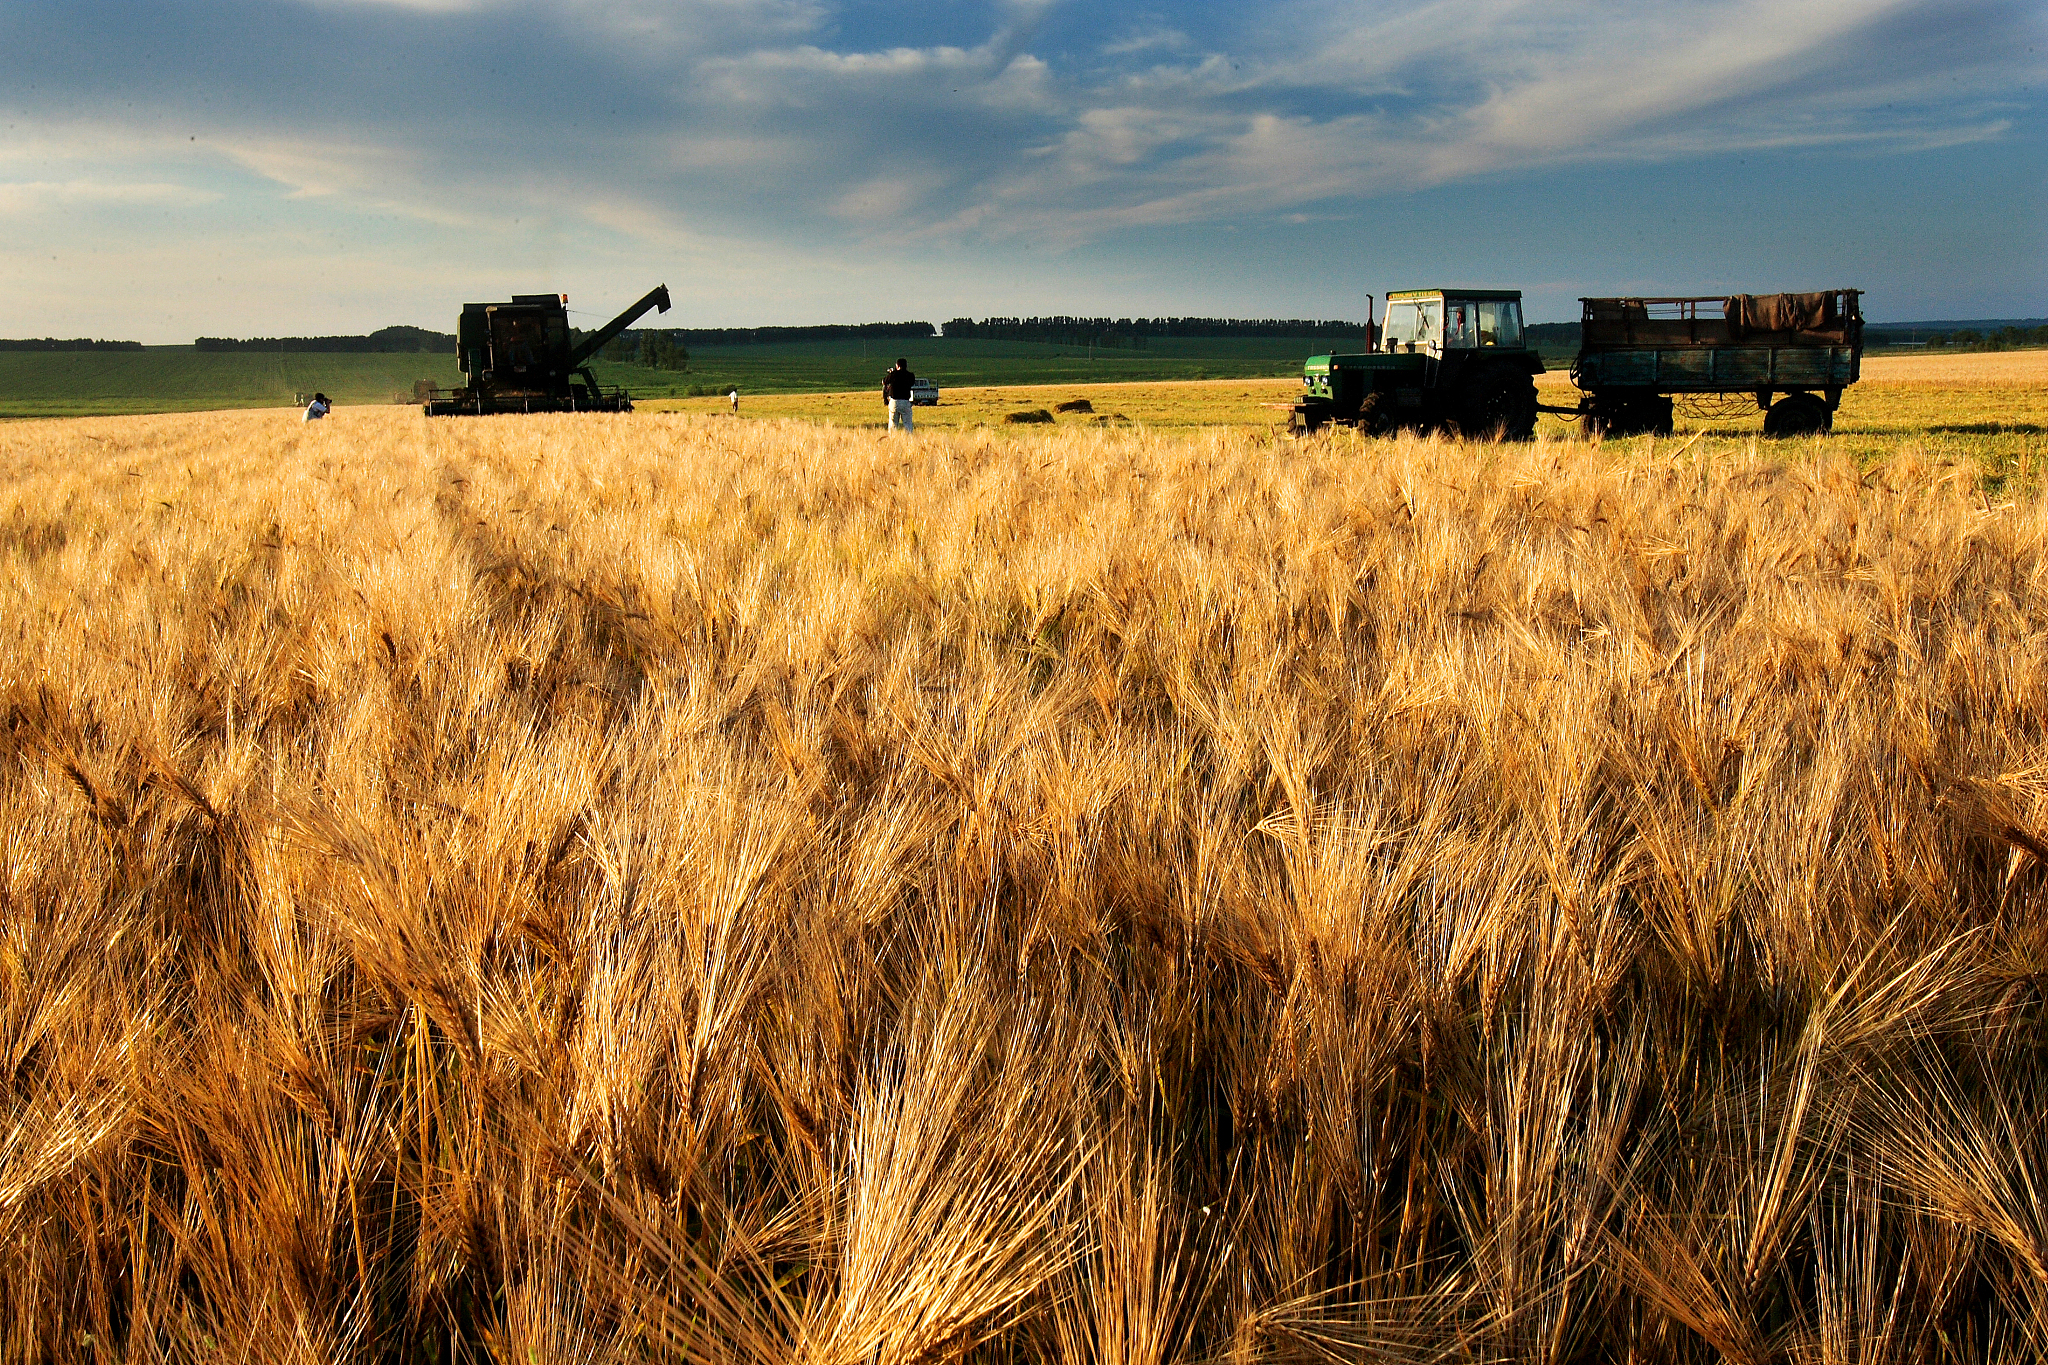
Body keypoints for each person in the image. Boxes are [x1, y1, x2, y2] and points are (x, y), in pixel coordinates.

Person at [882, 358, 915, 433]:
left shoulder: (893, 374)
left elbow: (884, 382)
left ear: (897, 365)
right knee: (908, 425)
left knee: (893, 425)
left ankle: (893, 441)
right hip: (906, 402)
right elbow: (912, 382)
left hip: (894, 402)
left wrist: (891, 373)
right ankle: (909, 441)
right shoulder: (910, 375)